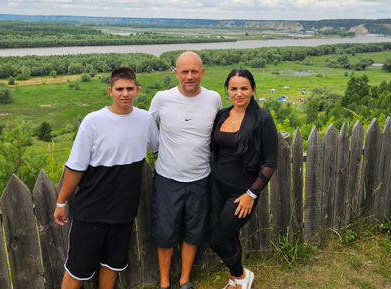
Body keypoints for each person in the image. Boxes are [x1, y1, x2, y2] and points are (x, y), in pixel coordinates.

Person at [53, 67, 159, 289]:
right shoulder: (93, 121)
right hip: (92, 211)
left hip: (124, 211)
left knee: (112, 264)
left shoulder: (145, 119)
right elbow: (75, 168)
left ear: (137, 90)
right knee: (77, 268)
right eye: (119, 89)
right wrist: (61, 201)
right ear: (110, 91)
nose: (125, 94)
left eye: (130, 88)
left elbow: (156, 146)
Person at [149, 51, 222, 289]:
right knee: (165, 233)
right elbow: (148, 128)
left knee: (194, 230)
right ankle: (163, 283)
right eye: (184, 72)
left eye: (194, 71)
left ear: (202, 72)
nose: (189, 77)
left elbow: (220, 132)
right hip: (167, 178)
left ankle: (184, 280)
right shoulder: (161, 98)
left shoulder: (213, 99)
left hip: (201, 177)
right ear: (176, 73)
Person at [209, 69, 278, 289]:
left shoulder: (262, 118)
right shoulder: (222, 114)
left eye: (244, 88)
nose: (239, 93)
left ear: (253, 89)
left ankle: (242, 275)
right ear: (227, 90)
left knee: (217, 241)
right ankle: (236, 280)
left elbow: (271, 162)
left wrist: (251, 193)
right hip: (218, 187)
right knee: (229, 237)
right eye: (234, 88)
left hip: (242, 192)